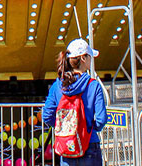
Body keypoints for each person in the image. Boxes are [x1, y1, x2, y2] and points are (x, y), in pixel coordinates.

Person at [43, 38, 107, 166]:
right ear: (83, 58)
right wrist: (89, 130)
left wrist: (64, 127)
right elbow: (101, 119)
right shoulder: (93, 85)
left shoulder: (58, 85)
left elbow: (47, 115)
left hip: (66, 144)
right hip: (89, 143)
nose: (91, 60)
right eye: (89, 56)